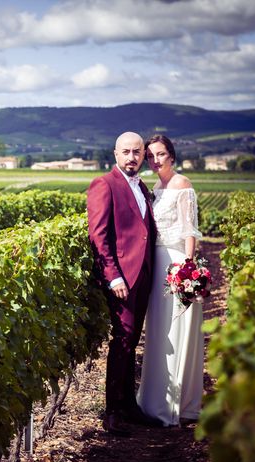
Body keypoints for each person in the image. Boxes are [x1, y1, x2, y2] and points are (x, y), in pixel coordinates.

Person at [87, 131, 162, 436]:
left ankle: (129, 405)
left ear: (143, 154)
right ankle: (112, 412)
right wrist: (113, 275)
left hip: (144, 275)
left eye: (137, 152)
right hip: (122, 278)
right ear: (115, 154)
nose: (132, 157)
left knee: (131, 341)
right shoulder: (104, 184)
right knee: (123, 339)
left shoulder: (142, 186)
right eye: (126, 152)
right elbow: (99, 236)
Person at [136, 134, 204, 427]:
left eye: (160, 154)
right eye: (150, 156)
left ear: (172, 155)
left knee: (176, 330)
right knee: (159, 333)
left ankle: (175, 405)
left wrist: (187, 270)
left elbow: (190, 230)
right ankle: (155, 401)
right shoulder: (155, 187)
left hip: (176, 262)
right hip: (156, 262)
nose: (155, 160)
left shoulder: (182, 184)